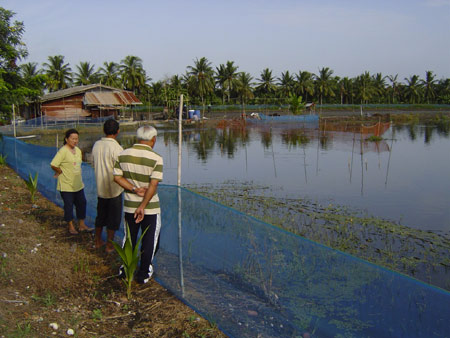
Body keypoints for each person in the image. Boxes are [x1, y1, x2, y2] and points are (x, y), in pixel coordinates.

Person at [113, 125, 163, 284]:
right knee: (150, 240)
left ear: (138, 137)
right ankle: (144, 273)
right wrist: (142, 206)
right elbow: (153, 185)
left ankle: (126, 268)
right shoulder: (156, 158)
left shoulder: (123, 155)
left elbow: (117, 178)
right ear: (153, 139)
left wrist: (134, 189)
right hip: (150, 208)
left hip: (129, 205)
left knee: (129, 237)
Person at [92, 119, 124, 252]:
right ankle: (109, 245)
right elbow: (121, 170)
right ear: (117, 131)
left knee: (101, 216)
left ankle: (98, 241)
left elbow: (93, 162)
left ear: (104, 131)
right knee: (113, 218)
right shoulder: (117, 148)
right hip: (115, 189)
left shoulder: (97, 145)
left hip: (101, 188)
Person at [50, 128, 90, 235]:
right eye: (73, 139)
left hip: (78, 184)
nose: (75, 141)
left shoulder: (78, 150)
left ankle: (82, 224)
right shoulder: (63, 151)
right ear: (67, 139)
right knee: (68, 205)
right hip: (66, 185)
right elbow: (53, 164)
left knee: (82, 203)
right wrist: (59, 171)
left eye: (76, 139)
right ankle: (71, 226)